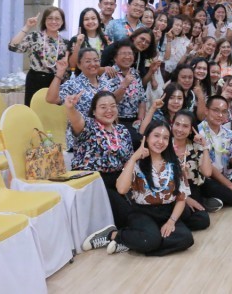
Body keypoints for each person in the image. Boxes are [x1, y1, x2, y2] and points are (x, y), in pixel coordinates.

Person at [94, 121, 194, 256]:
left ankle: (135, 242)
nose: (160, 141)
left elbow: (181, 199)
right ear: (146, 138)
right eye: (156, 136)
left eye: (165, 138)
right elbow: (122, 190)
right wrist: (133, 158)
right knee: (150, 240)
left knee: (186, 239)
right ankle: (114, 235)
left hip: (166, 212)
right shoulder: (136, 164)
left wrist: (171, 221)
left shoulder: (174, 164)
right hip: (142, 212)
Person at [64, 91, 134, 230]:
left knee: (137, 212)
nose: (109, 110)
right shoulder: (90, 126)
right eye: (103, 107)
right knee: (126, 216)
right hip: (94, 182)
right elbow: (77, 121)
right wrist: (71, 108)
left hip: (118, 181)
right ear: (94, 111)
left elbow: (128, 160)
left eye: (113, 106)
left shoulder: (122, 130)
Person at [8, 7, 69, 105]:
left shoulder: (66, 43)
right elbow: (12, 47)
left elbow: (67, 69)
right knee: (33, 110)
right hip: (35, 80)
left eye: (57, 19)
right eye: (50, 18)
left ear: (62, 22)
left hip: (56, 81)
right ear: (44, 20)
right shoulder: (34, 37)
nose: (53, 21)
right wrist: (27, 27)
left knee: (53, 111)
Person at [170, 111, 213, 225]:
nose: (180, 129)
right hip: (172, 191)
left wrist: (204, 146)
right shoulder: (165, 145)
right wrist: (185, 199)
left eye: (185, 126)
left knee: (203, 220)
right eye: (177, 124)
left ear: (191, 130)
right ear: (172, 125)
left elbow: (207, 172)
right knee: (185, 213)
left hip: (192, 189)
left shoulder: (195, 146)